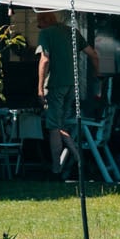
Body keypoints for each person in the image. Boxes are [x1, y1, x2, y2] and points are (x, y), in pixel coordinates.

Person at [36, 10, 88, 176]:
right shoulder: (72, 32)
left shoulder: (46, 33)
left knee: (53, 127)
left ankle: (56, 169)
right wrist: (98, 77)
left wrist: (39, 88)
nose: (38, 27)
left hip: (55, 85)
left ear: (45, 21)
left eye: (39, 24)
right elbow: (93, 54)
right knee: (61, 125)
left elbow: (45, 60)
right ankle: (79, 159)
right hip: (72, 85)